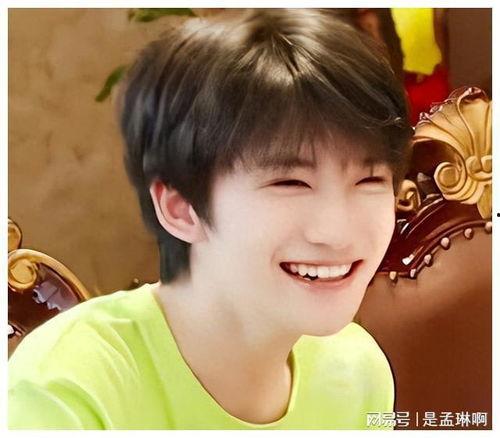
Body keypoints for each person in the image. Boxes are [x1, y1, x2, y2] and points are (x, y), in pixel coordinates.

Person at [8, 9, 413, 429]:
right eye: (290, 183)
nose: (337, 233)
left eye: (369, 180)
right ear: (180, 208)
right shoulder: (67, 389)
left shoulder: (358, 370)